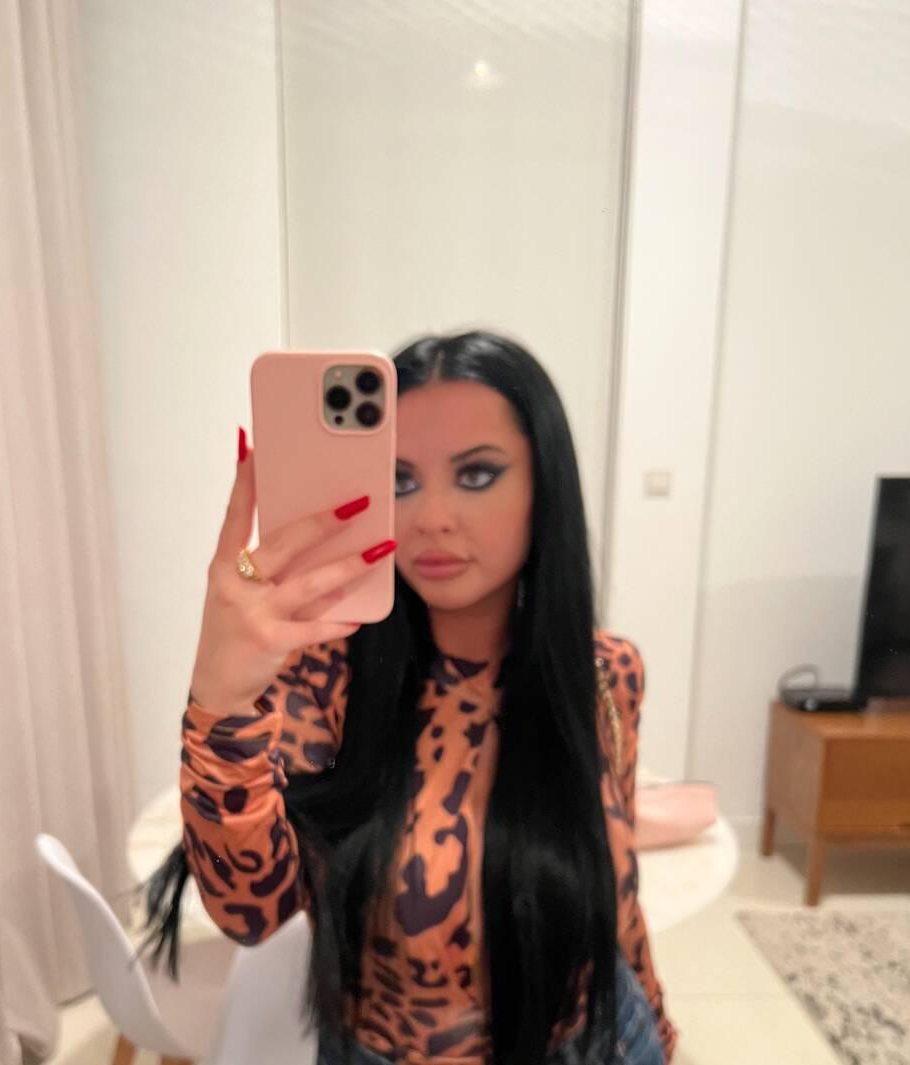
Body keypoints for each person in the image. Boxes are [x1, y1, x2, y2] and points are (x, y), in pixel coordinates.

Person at [144, 331, 677, 1065]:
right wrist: (220, 703)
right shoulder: (324, 674)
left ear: (543, 487)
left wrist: (657, 1030)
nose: (431, 517)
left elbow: (614, 892)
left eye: (477, 474)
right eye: (398, 481)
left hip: (599, 1043)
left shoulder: (605, 670)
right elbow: (250, 912)